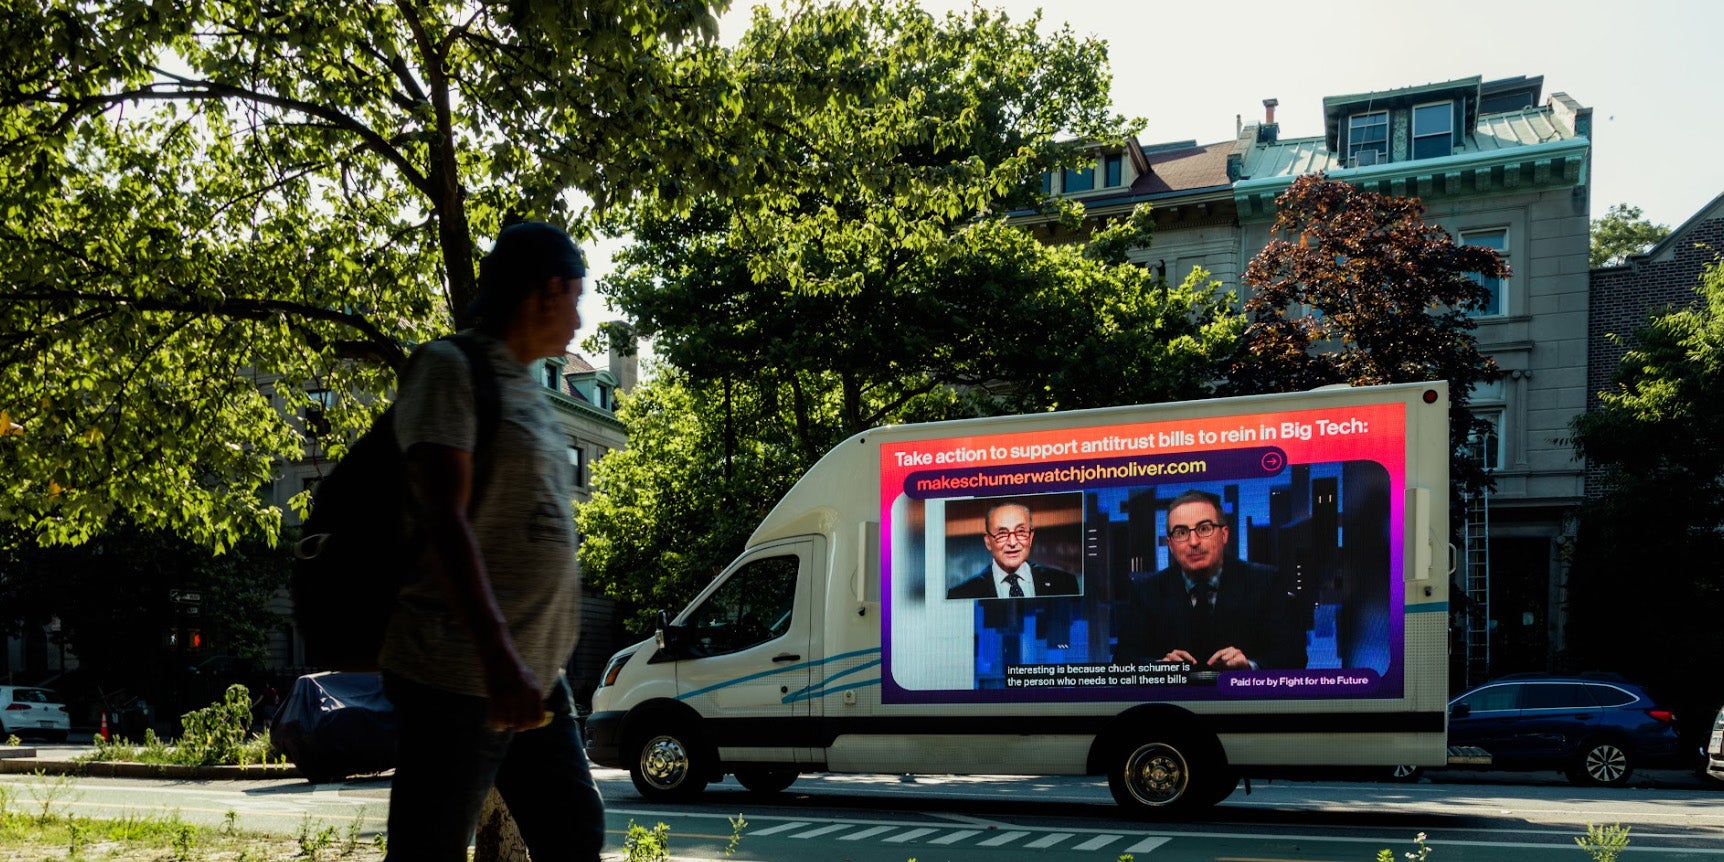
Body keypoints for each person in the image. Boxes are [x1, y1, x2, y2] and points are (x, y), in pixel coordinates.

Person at [379, 221, 605, 861]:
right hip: (461, 674)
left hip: (534, 677)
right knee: (428, 851)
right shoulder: (448, 368)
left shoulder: (527, 385)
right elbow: (443, 518)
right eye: (578, 298)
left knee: (574, 834)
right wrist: (498, 654)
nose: (581, 320)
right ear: (545, 292)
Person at [1112, 489, 1307, 671]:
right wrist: (1159, 667)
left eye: (1204, 528)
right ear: (1170, 545)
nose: (1194, 542)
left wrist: (1249, 666)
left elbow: (1294, 655)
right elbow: (1122, 660)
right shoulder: (1147, 590)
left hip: (1243, 702)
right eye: (1181, 533)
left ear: (1224, 534)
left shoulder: (1265, 581)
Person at [947, 502, 1081, 599]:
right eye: (1002, 534)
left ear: (1030, 537)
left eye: (1021, 531)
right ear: (988, 541)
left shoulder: (1065, 583)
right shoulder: (961, 594)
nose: (1012, 543)